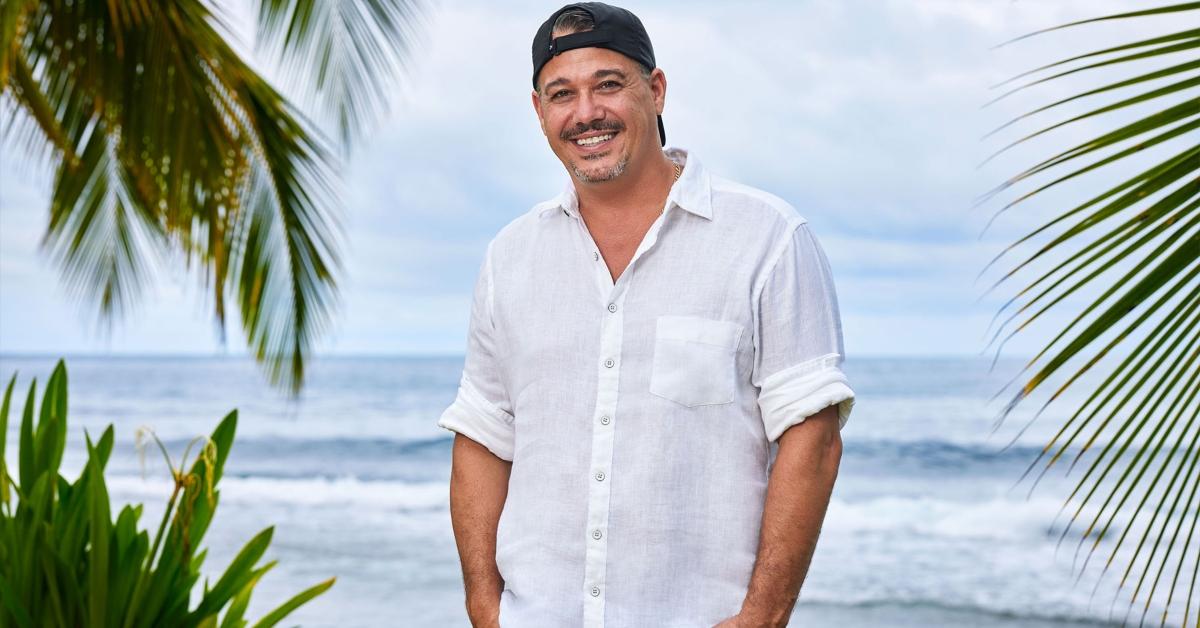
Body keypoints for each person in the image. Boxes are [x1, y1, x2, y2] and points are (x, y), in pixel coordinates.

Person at [437, 3, 856, 626]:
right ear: (538, 111)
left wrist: (763, 615)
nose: (586, 114)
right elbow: (484, 434)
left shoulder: (767, 238)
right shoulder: (510, 256)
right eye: (562, 94)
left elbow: (812, 436)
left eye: (608, 84)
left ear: (655, 91)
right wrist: (483, 605)